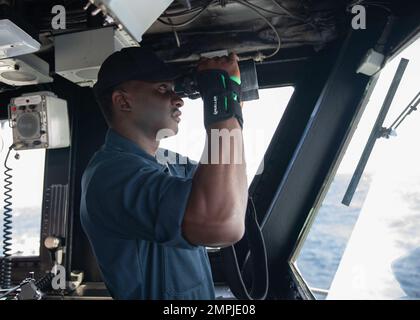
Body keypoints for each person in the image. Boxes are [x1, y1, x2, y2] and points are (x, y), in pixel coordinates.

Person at [80, 47, 248, 300]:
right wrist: (220, 99)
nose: (178, 99)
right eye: (162, 89)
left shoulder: (166, 163)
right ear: (123, 101)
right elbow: (221, 225)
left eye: (174, 88)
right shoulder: (110, 175)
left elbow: (228, 187)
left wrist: (230, 96)